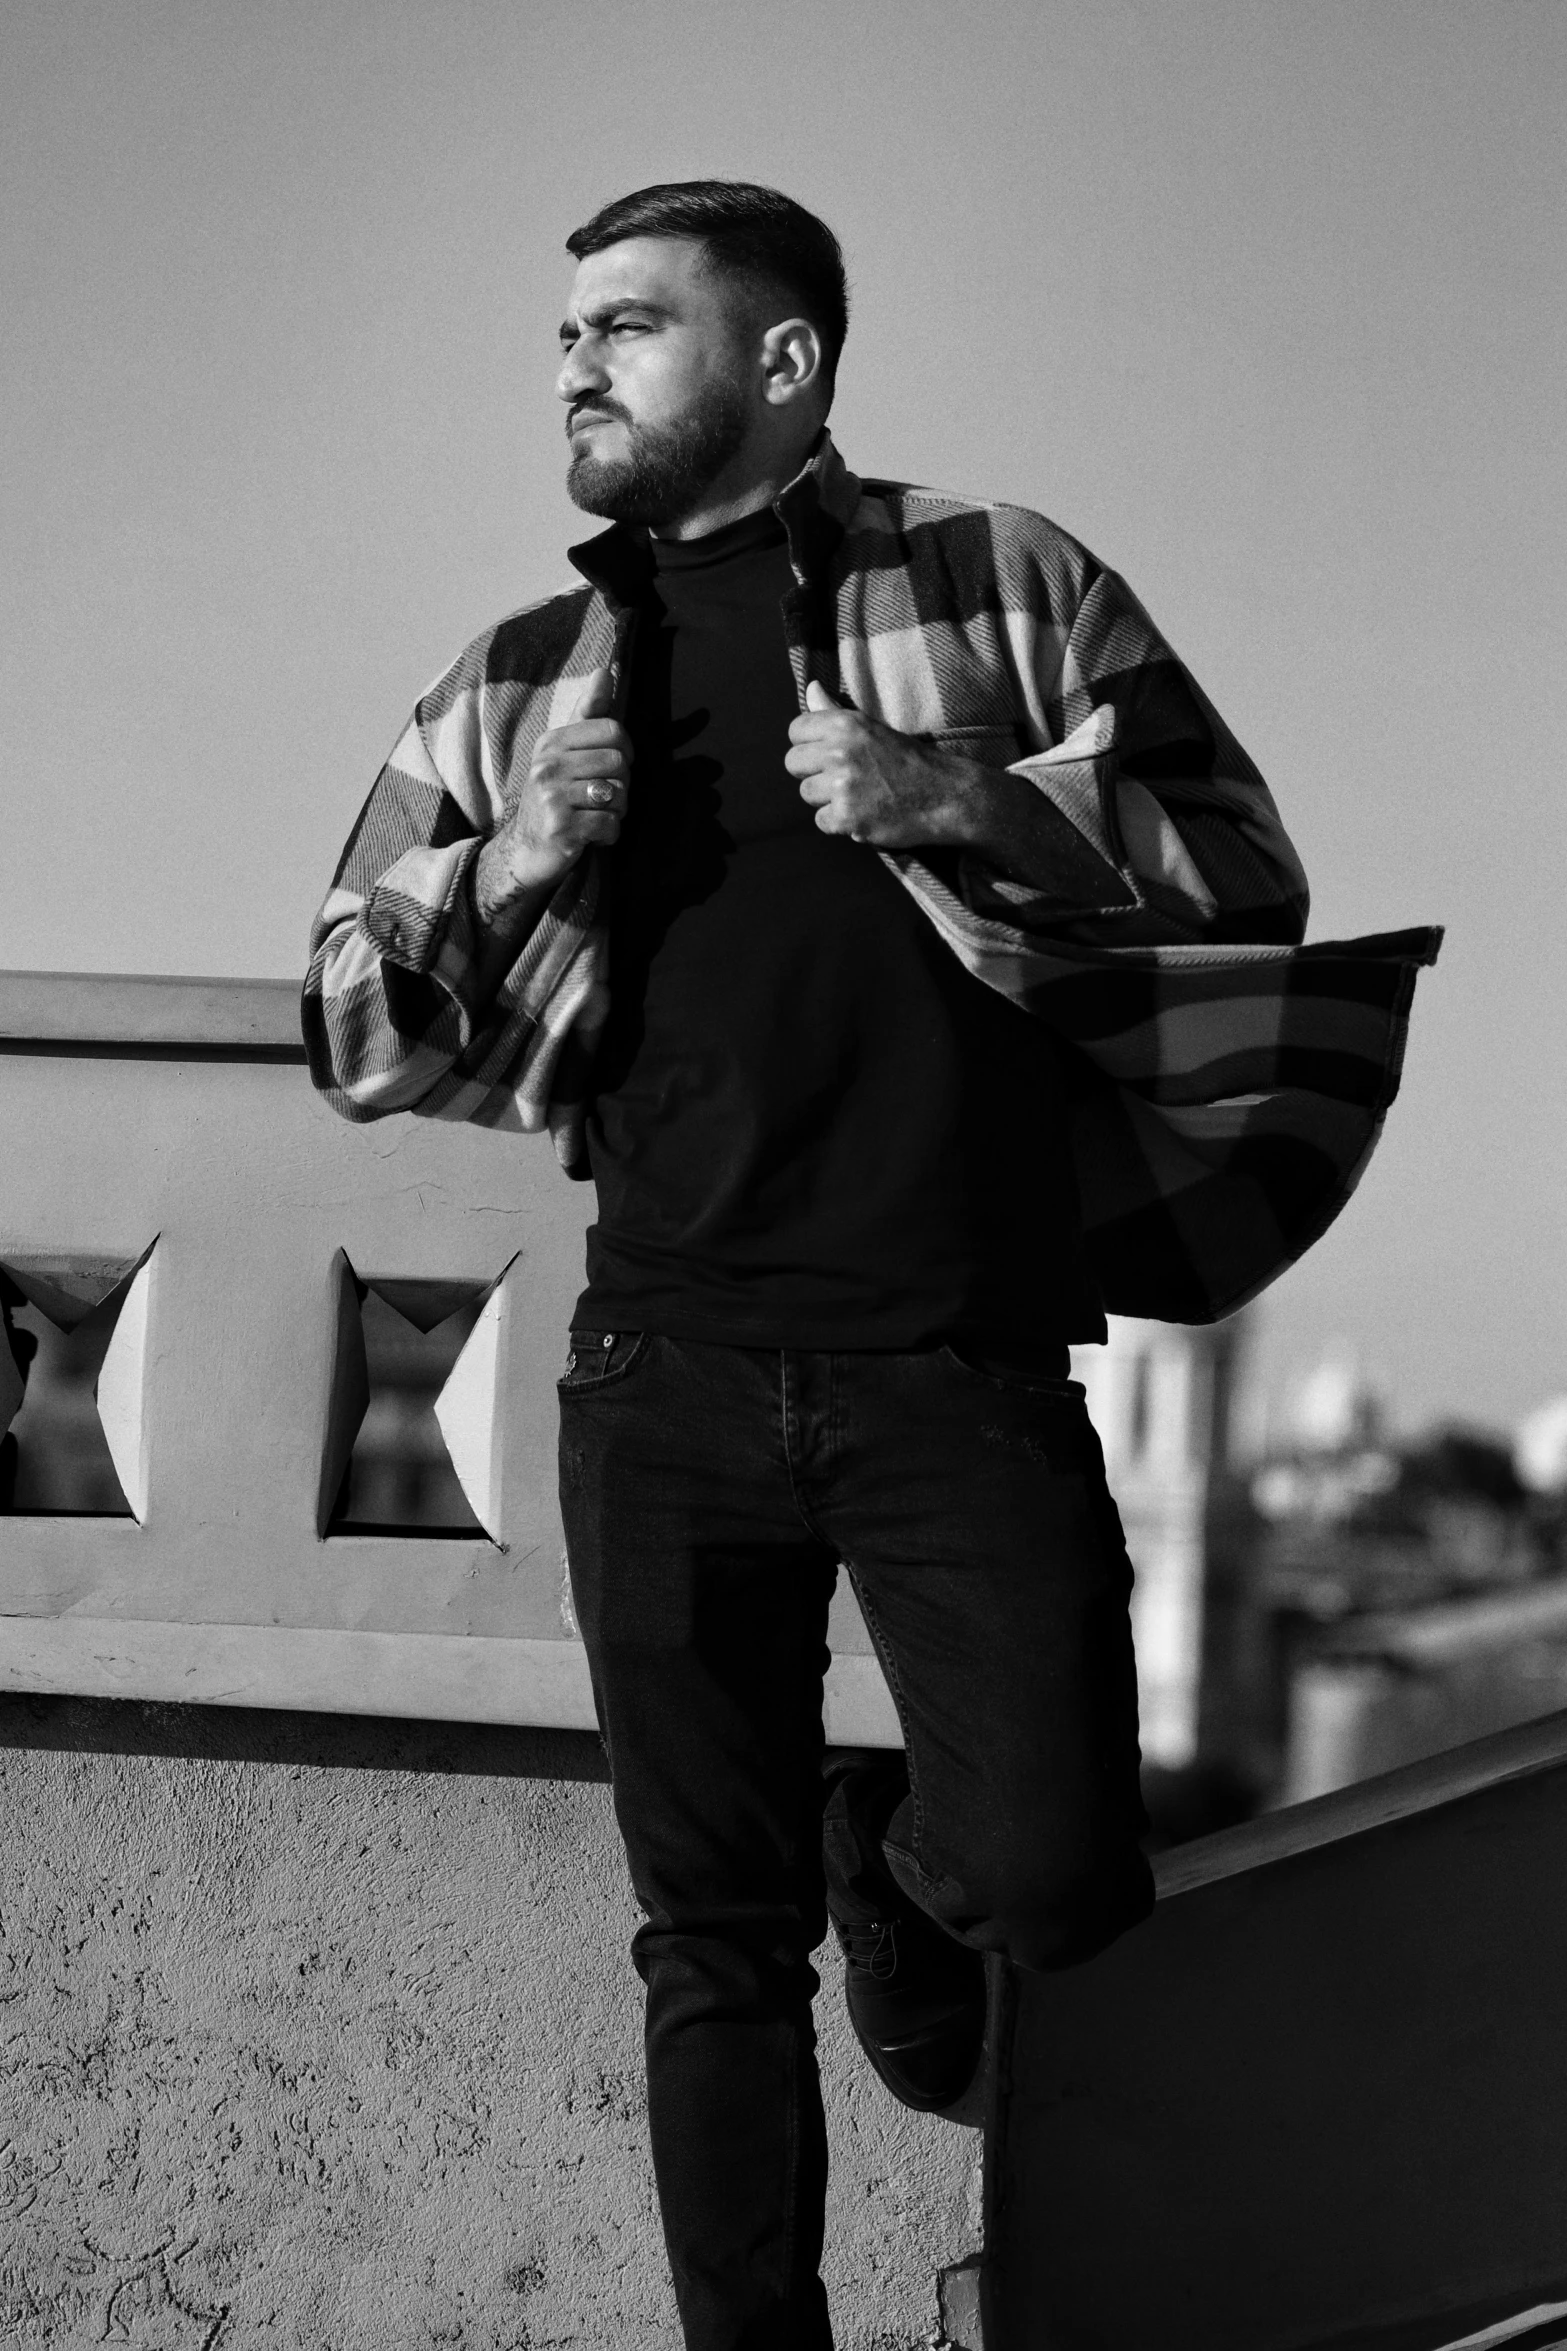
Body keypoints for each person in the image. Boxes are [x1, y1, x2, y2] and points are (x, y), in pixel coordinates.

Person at [304, 181, 1437, 2351]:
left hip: (959, 1359)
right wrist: (510, 853)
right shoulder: (518, 677)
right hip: (664, 1369)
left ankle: (889, 1847)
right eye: (568, 331)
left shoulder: (1007, 579)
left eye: (631, 326)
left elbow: (1250, 866)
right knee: (703, 1950)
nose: (576, 364)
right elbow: (345, 1029)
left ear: (786, 361)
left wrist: (970, 799)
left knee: (1050, 1872)